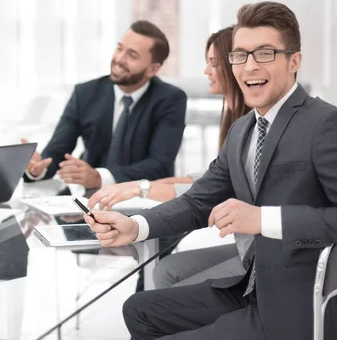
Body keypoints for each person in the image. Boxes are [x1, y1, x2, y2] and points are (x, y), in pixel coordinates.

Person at [85, 1, 337, 340]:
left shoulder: (325, 124)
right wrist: (135, 227)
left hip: (296, 307)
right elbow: (198, 201)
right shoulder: (243, 129)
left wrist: (263, 219)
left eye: (265, 53)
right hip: (249, 288)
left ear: (294, 61)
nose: (249, 66)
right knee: (138, 309)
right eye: (240, 55)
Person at [89, 26, 250, 289]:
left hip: (257, 253)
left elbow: (211, 190)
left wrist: (141, 188)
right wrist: (137, 187)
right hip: (244, 245)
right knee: (164, 272)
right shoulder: (236, 121)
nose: (206, 72)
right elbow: (207, 178)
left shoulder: (246, 124)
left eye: (213, 63)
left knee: (164, 294)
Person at [24, 20, 187, 191]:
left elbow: (159, 165)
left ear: (152, 69)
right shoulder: (85, 93)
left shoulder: (170, 99)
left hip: (144, 198)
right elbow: (56, 153)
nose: (119, 59)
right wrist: (38, 169)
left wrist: (99, 177)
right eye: (119, 48)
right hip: (89, 198)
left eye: (132, 55)